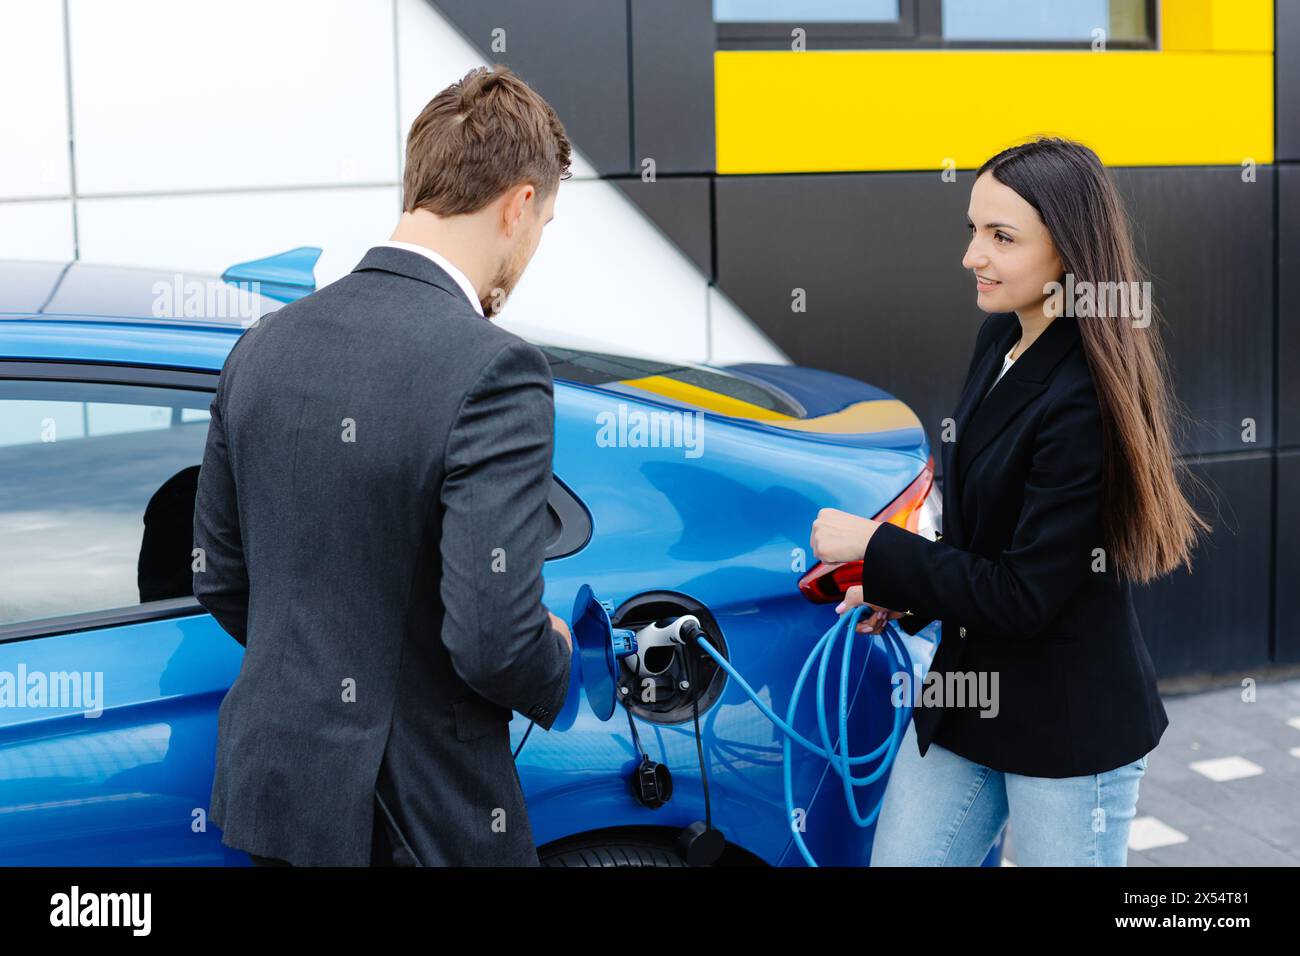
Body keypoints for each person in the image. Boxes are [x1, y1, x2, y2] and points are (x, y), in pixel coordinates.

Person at [192, 65, 575, 866]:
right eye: (544, 224)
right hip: (419, 821)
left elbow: (222, 579)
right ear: (518, 207)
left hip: (277, 803)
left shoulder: (261, 347)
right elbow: (494, 641)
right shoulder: (497, 370)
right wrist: (558, 659)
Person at [809, 137, 1210, 866]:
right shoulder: (1000, 337)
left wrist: (876, 546)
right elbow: (985, 543)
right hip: (969, 702)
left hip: (1069, 728)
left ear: (1068, 251)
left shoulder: (1083, 397)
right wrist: (898, 586)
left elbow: (1026, 594)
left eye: (1002, 236)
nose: (973, 256)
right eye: (973, 230)